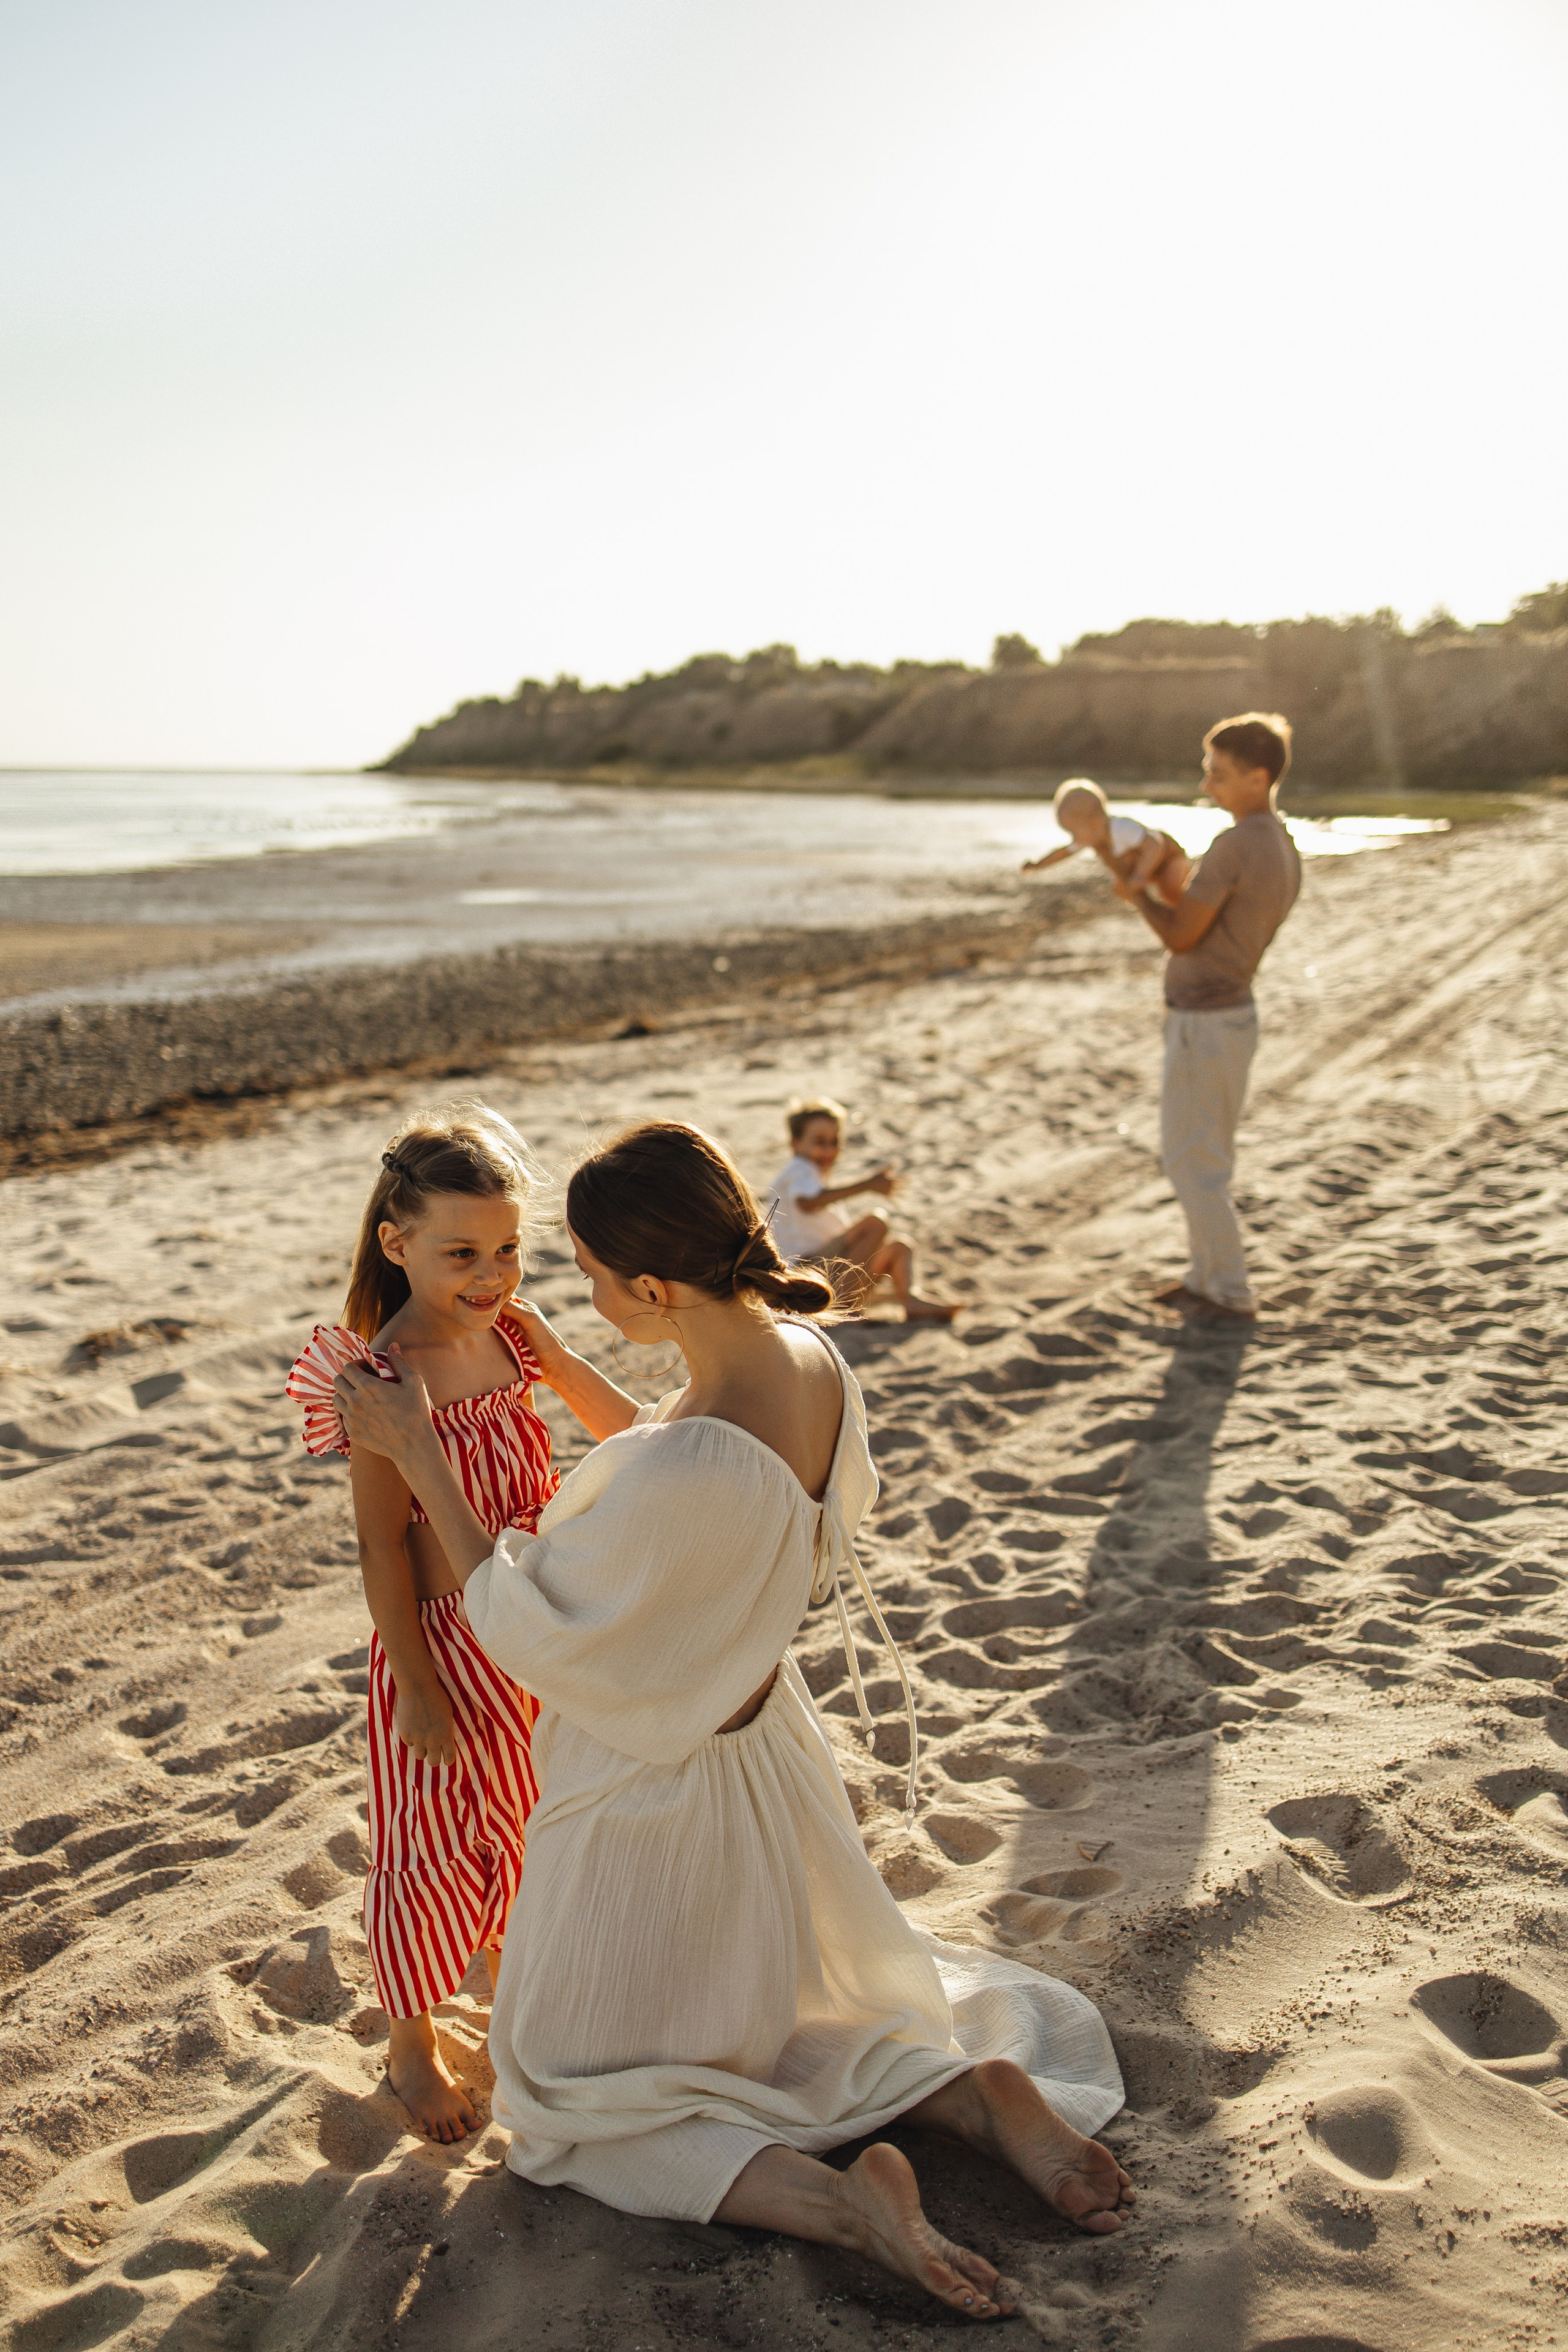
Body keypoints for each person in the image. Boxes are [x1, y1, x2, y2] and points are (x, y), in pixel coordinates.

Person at [332, 1120, 1132, 2322]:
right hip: (766, 1768)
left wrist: (414, 1452)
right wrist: (547, 1375)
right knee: (792, 2042)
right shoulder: (806, 1361)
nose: (570, 1297)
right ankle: (963, 2098)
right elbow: (680, 1466)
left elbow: (532, 1621)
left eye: (590, 1278)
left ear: (650, 1284)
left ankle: (842, 2207)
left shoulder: (683, 1467)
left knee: (568, 2117)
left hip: (661, 1806)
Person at [284, 1104, 628, 2143]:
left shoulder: (511, 1342)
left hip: (532, 1622)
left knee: (531, 1817)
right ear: (398, 1246)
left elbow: (631, 1441)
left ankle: (520, 1984)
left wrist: (559, 1356)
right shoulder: (384, 1379)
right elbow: (383, 1549)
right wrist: (419, 1686)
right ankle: (409, 2041)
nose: (493, 1275)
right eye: (463, 1252)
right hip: (443, 1645)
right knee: (428, 1840)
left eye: (511, 1249)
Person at [1115, 713, 1302, 1324]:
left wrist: (1135, 892)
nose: (1207, 787)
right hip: (1228, 1017)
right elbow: (1208, 924)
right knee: (1203, 1158)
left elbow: (1179, 934)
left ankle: (1228, 1292)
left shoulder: (1236, 844)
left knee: (1192, 1163)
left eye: (1218, 775)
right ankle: (1204, 1278)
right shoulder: (1280, 844)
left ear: (1258, 776)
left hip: (1208, 1023)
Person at [766, 1096, 958, 1324]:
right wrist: (866, 1185)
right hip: (805, 1271)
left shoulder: (812, 1177)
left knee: (899, 1248)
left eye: (834, 1142)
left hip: (827, 1271)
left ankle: (910, 1301)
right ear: (796, 1143)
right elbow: (807, 1202)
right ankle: (843, 1307)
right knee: (875, 1223)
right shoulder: (800, 1170)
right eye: (820, 1142)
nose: (828, 1150)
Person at [1023, 777, 1191, 906]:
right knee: (1121, 888)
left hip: (1169, 859)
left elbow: (1155, 845)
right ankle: (1159, 912)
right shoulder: (1091, 836)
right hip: (1145, 870)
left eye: (1073, 833)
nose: (1074, 839)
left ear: (1093, 824)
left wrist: (1141, 874)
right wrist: (1038, 865)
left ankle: (1191, 912)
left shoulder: (1122, 828)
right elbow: (1063, 853)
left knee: (1170, 889)